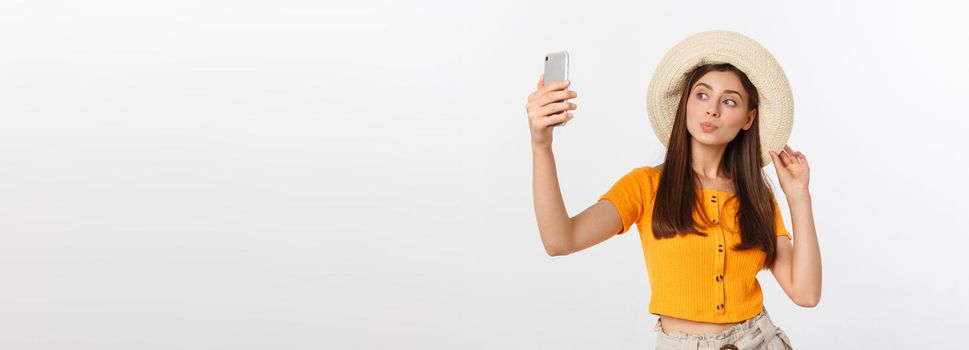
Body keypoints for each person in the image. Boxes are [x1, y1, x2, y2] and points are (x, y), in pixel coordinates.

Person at [526, 30, 821, 350]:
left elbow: (805, 293)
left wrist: (798, 195)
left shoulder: (756, 197)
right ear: (685, 104)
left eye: (730, 101)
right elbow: (560, 240)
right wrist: (541, 145)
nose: (713, 110)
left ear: (748, 118)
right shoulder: (645, 186)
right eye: (702, 95)